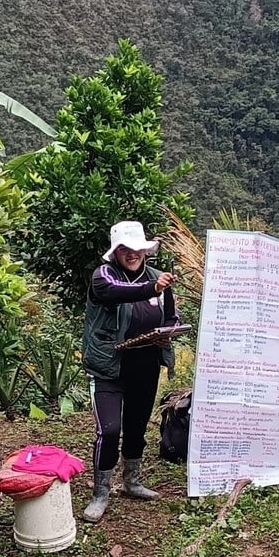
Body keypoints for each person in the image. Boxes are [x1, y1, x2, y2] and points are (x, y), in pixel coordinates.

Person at [81, 219, 178, 524]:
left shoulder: (157, 279)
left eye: (137, 247)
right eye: (125, 248)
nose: (132, 253)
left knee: (136, 426)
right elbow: (115, 292)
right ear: (116, 251)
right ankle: (101, 492)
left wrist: (169, 332)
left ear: (145, 250)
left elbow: (171, 316)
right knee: (109, 430)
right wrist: (152, 287)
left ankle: (132, 482)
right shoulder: (103, 276)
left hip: (145, 365)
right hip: (109, 366)